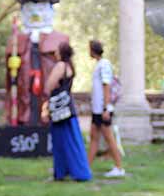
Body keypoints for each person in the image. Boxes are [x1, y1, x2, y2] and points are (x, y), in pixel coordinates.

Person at [44, 42, 92, 182]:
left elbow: (50, 85)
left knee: (60, 141)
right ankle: (69, 171)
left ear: (61, 52)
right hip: (68, 108)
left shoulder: (60, 66)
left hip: (60, 109)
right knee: (71, 140)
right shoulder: (70, 66)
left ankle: (64, 172)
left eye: (57, 51)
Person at [87, 40, 125, 178]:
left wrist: (106, 108)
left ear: (93, 50)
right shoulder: (99, 65)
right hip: (97, 110)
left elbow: (106, 86)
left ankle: (119, 167)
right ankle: (86, 168)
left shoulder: (104, 65)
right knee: (94, 137)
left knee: (109, 138)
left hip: (103, 110)